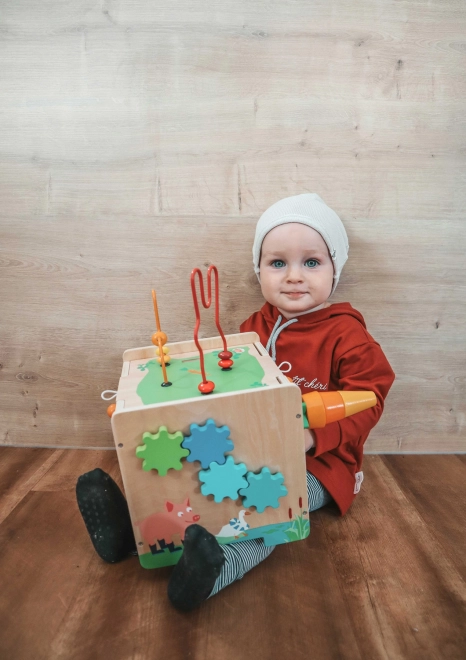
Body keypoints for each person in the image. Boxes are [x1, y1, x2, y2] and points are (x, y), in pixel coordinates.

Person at [76, 193, 395, 611]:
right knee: (199, 483)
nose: (294, 276)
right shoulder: (253, 328)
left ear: (335, 269)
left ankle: (213, 571)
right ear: (258, 270)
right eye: (277, 263)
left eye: (311, 262)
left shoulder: (348, 336)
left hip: (321, 463)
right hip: (252, 446)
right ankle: (132, 537)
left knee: (267, 507)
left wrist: (311, 437)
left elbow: (370, 399)